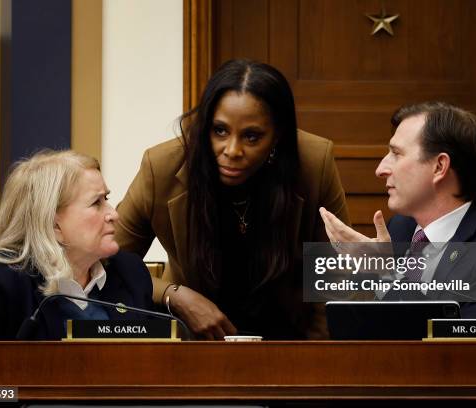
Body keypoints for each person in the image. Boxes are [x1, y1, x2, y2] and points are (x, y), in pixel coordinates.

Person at [115, 59, 350, 340]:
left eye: (252, 136)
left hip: (289, 341)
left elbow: (336, 272)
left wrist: (314, 361)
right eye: (220, 131)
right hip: (194, 343)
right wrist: (174, 296)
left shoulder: (314, 161)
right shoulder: (162, 166)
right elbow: (108, 261)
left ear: (278, 136)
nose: (232, 150)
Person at [320, 101, 476, 337]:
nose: (380, 169)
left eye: (396, 154)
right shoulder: (399, 230)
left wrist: (387, 274)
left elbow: (468, 346)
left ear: (440, 166)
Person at [0, 150, 154, 340]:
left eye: (106, 199)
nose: (113, 214)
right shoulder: (3, 279)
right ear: (54, 225)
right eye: (96, 203)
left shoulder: (129, 272)